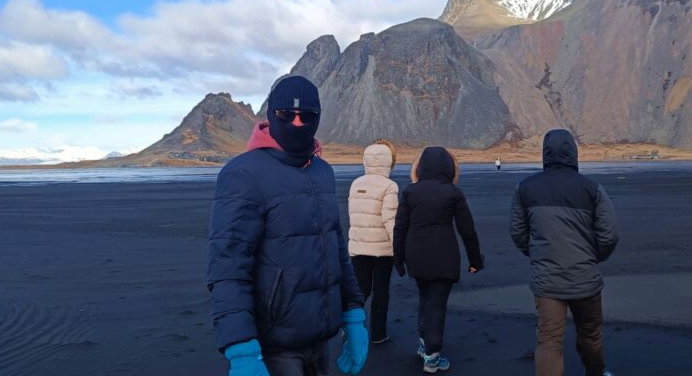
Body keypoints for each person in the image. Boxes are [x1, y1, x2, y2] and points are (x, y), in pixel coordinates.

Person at [207, 76, 368, 376]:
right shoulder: (242, 174)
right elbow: (229, 265)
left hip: (322, 337)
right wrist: (240, 347)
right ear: (271, 114)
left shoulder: (322, 172)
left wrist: (353, 314)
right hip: (274, 345)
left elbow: (335, 246)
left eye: (306, 116)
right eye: (286, 114)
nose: (297, 123)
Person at [509, 129, 618, 376]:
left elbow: (517, 232)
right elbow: (609, 234)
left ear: (545, 153)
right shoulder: (592, 188)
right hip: (585, 277)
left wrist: (536, 253)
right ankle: (596, 372)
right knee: (590, 334)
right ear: (573, 153)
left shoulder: (525, 188)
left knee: (549, 341)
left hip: (547, 279)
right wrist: (594, 256)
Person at [393, 146, 484, 373]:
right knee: (437, 304)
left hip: (417, 255)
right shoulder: (453, 192)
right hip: (444, 255)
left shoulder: (410, 192)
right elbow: (467, 230)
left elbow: (399, 229)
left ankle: (425, 344)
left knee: (425, 298)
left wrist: (399, 259)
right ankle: (432, 355)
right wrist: (475, 260)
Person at [347, 139, 399, 345]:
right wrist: (399, 247)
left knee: (360, 290)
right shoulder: (389, 186)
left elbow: (354, 215)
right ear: (388, 162)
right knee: (380, 291)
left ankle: (351, 328)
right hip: (382, 249)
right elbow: (390, 219)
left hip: (359, 246)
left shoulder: (356, 184)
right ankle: (378, 333)